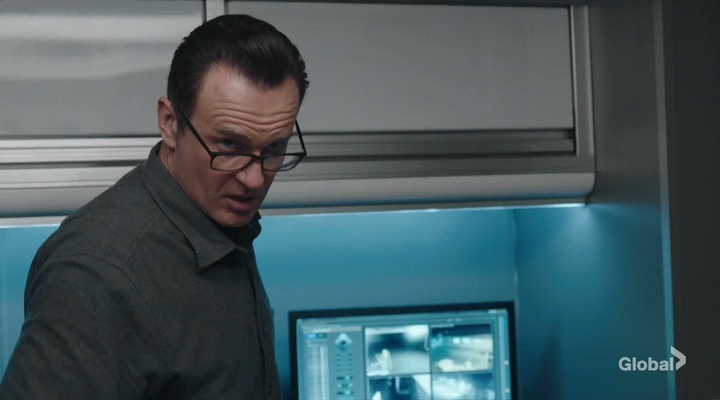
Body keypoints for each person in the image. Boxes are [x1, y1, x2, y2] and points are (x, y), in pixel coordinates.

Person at [0, 14, 309, 400]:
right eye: (229, 145)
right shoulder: (98, 273)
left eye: (275, 147)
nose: (254, 179)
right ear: (169, 122)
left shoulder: (219, 218)